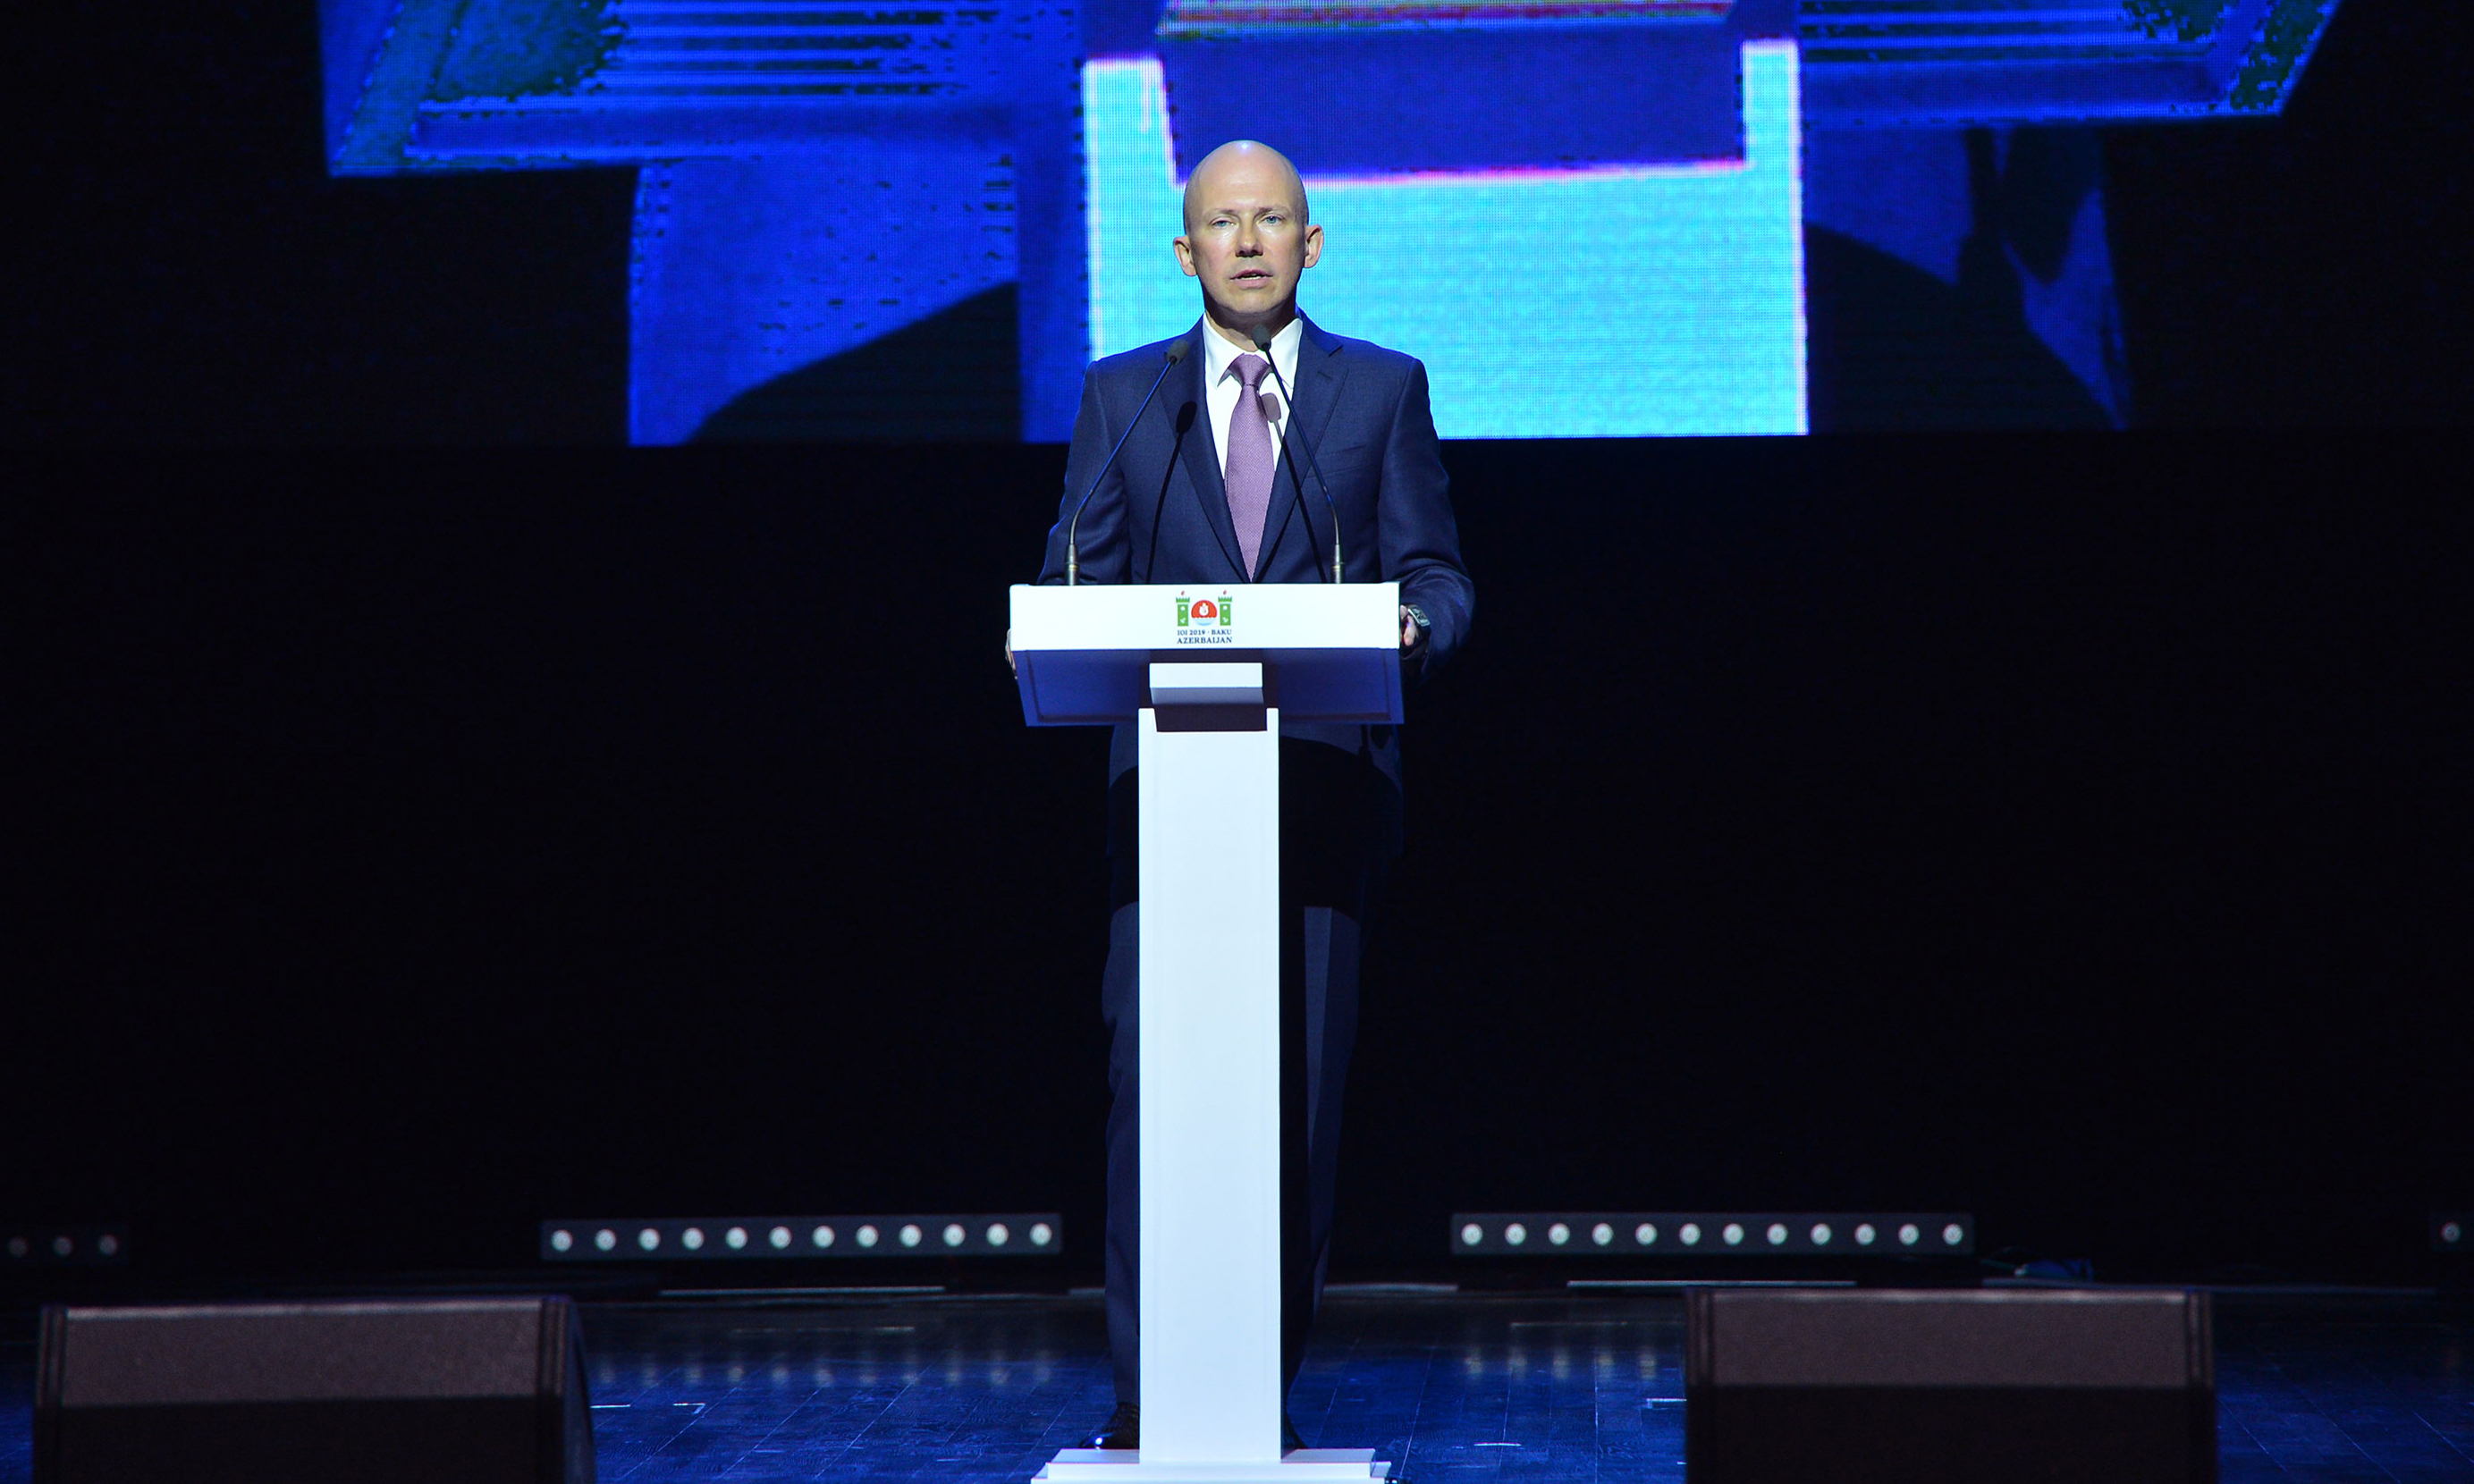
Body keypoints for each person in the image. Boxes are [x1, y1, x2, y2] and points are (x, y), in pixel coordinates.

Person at [1024, 139, 1473, 1449]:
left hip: (1325, 797)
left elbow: (1439, 572)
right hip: (1169, 808)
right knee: (1148, 1097)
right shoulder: (1128, 398)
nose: (1248, 242)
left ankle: (1253, 1387)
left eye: (1272, 220)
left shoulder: (1379, 388)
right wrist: (1052, 613)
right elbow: (1079, 578)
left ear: (1310, 242)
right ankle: (1145, 1391)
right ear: (1185, 251)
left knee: (1298, 1105)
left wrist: (1410, 628)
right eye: (1223, 223)